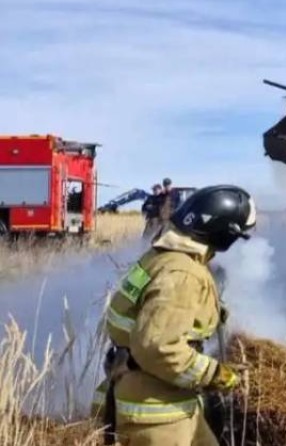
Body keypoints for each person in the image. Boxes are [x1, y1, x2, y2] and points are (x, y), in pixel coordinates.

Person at [91, 184, 256, 445]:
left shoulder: (161, 256)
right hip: (159, 413)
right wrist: (215, 374)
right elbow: (157, 347)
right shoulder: (183, 273)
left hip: (153, 393)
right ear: (224, 233)